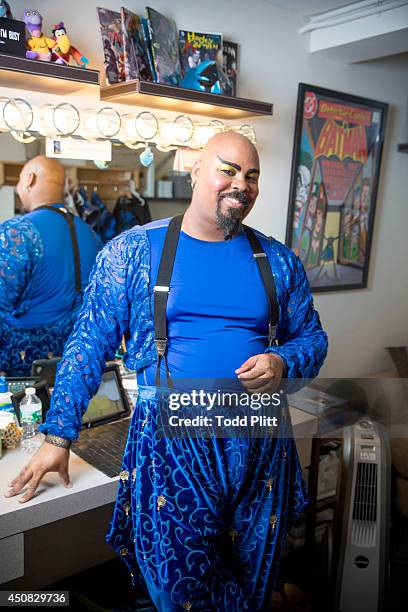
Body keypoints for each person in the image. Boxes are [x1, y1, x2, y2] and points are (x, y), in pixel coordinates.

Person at [5, 134, 328, 611]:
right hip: (173, 448)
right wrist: (58, 437)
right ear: (194, 171)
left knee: (256, 584)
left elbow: (313, 341)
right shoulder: (132, 252)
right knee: (180, 592)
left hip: (260, 444)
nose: (242, 183)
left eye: (252, 175)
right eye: (228, 169)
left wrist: (283, 361)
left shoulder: (278, 260)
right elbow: (88, 345)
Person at [0, 155, 101, 376]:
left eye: (19, 180)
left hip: (24, 367)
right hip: (77, 364)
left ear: (29, 179)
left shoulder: (17, 232)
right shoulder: (91, 234)